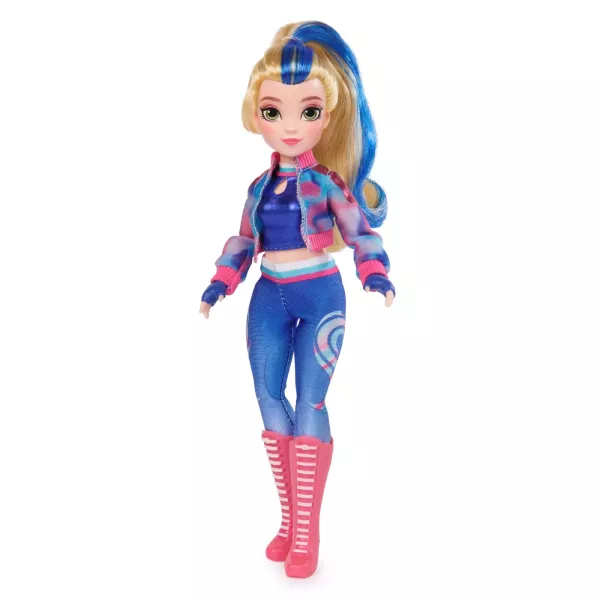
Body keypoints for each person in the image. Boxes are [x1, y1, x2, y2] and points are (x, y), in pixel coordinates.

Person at [199, 21, 396, 578]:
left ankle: (307, 531)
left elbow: (359, 232)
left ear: (326, 117)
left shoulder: (328, 184)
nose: (290, 126)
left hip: (319, 294)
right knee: (268, 399)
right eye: (273, 111)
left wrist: (374, 271)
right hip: (268, 295)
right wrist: (220, 283)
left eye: (307, 111)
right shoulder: (258, 189)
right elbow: (243, 241)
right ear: (256, 114)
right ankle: (289, 521)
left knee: (311, 402)